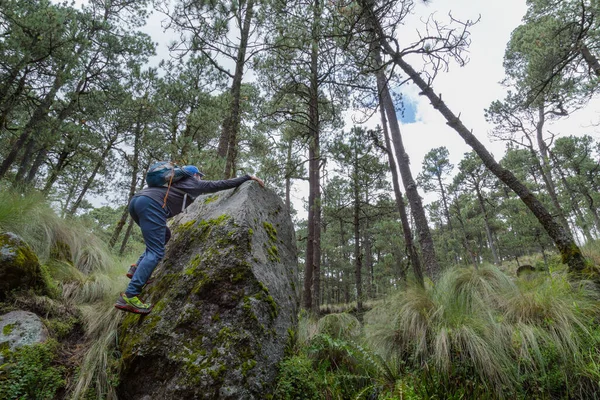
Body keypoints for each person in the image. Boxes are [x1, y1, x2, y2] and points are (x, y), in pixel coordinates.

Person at [114, 166, 264, 314]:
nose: (201, 178)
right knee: (156, 252)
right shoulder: (193, 183)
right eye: (200, 175)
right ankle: (130, 295)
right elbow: (219, 185)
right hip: (151, 205)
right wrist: (247, 177)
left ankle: (136, 269)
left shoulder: (171, 184)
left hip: (137, 202)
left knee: (164, 235)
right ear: (194, 175)